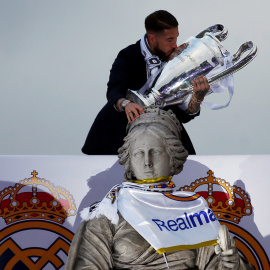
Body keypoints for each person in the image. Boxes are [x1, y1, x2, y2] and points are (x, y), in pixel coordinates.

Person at [67, 107, 254, 270]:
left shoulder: (193, 210)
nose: (147, 163)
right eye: (139, 154)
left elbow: (215, 265)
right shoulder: (107, 214)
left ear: (173, 158)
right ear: (129, 161)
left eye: (155, 152)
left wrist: (231, 265)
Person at [82, 10, 210, 155]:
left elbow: (182, 115)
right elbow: (114, 90)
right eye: (169, 40)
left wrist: (197, 99)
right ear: (152, 38)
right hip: (116, 135)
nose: (175, 45)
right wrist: (126, 104)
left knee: (187, 168)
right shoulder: (128, 55)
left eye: (176, 38)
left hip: (162, 135)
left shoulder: (179, 60)